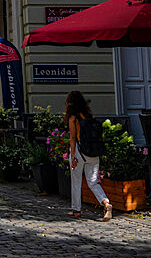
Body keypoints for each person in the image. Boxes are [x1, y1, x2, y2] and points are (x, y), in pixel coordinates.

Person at [66, 90, 113, 221]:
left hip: (80, 152)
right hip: (93, 152)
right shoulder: (88, 116)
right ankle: (106, 203)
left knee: (76, 181)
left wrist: (73, 156)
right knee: (93, 182)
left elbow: (73, 138)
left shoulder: (73, 118)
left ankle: (76, 210)